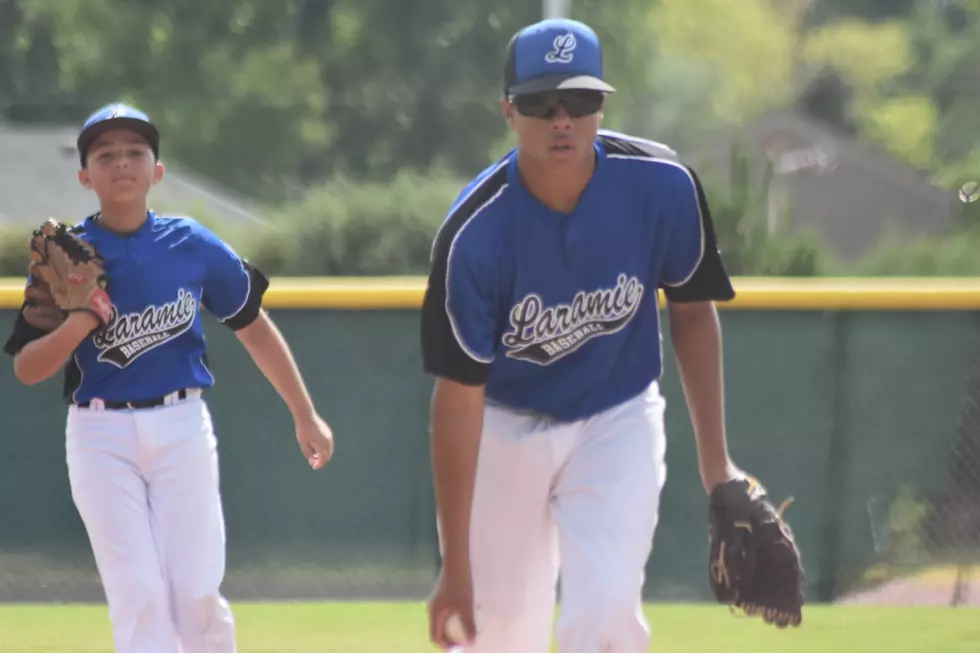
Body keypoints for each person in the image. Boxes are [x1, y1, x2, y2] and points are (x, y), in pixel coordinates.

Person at [420, 18, 743, 653]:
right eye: (541, 103)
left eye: (582, 100)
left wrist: (717, 468)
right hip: (504, 425)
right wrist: (455, 566)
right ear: (509, 112)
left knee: (607, 619)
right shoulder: (472, 234)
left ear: (603, 106)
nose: (562, 119)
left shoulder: (662, 185)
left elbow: (692, 312)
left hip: (616, 418)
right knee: (494, 634)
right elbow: (456, 399)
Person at [3, 103, 335, 653]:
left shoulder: (191, 244)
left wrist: (304, 412)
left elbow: (253, 326)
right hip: (99, 435)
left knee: (197, 594)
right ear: (85, 176)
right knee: (139, 595)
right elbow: (27, 368)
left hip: (182, 425)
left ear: (158, 170)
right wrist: (81, 321)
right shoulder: (68, 258)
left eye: (136, 152)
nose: (122, 163)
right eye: (105, 155)